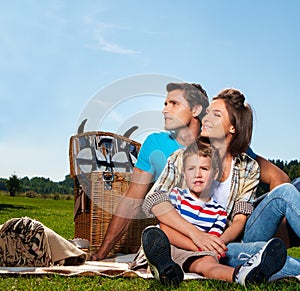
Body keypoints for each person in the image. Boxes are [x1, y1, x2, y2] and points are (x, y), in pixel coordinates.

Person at [91, 82, 289, 261]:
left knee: (289, 191)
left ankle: (265, 249)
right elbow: (136, 201)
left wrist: (275, 226)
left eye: (174, 104)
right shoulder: (165, 149)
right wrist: (103, 251)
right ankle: (263, 253)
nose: (165, 110)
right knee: (262, 250)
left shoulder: (230, 149)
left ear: (196, 110)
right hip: (187, 234)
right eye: (166, 103)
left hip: (229, 231)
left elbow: (278, 179)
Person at [141, 88, 300, 280]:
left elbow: (241, 218)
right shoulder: (183, 157)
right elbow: (155, 200)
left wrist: (218, 243)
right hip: (189, 241)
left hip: (229, 240)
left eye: (215, 115)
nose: (206, 119)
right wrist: (198, 236)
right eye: (208, 113)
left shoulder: (247, 167)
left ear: (233, 127)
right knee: (261, 251)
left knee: (286, 191)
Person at [141, 140, 287, 286]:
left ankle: (240, 274)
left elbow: (214, 241)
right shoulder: (176, 196)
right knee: (155, 237)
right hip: (170, 246)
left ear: (215, 173)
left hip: (199, 253)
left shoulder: (219, 212)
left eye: (204, 169)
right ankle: (165, 267)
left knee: (207, 264)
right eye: (191, 169)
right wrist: (198, 247)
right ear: (184, 173)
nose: (197, 174)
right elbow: (166, 230)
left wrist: (206, 251)